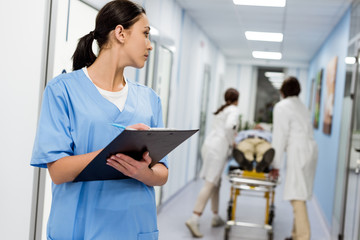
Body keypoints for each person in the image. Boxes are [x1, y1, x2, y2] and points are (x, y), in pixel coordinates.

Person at [30, 1, 169, 239]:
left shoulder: (149, 100)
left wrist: (142, 172)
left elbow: (162, 171)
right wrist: (117, 148)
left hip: (134, 228)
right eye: (145, 34)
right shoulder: (63, 91)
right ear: (120, 33)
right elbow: (58, 171)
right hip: (80, 229)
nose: (149, 45)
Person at [185, 88, 240, 238]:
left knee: (216, 182)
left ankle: (215, 217)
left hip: (210, 145)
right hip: (218, 149)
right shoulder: (233, 109)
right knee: (210, 183)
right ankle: (194, 218)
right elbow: (230, 127)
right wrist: (232, 142)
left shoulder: (223, 109)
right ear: (237, 99)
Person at [270, 76, 318, 240]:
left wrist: (275, 164)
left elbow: (279, 136)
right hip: (310, 150)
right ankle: (295, 234)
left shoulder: (281, 106)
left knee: (297, 195)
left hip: (298, 151)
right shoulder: (303, 106)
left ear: (282, 92)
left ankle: (303, 236)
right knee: (300, 192)